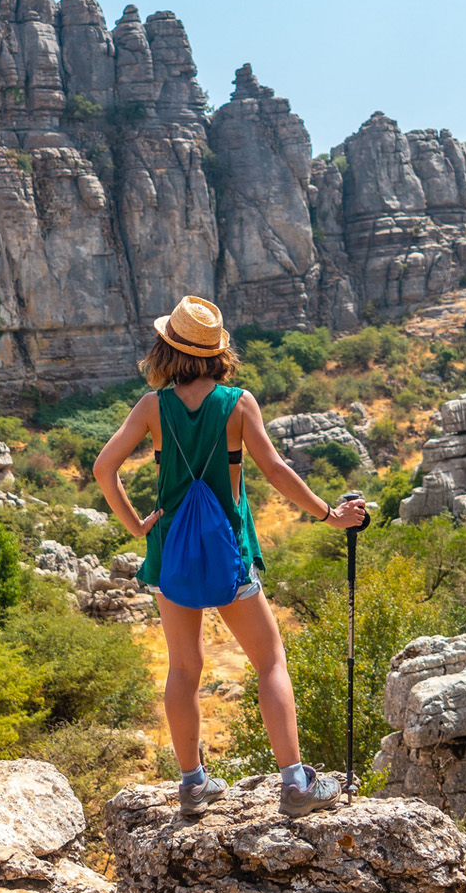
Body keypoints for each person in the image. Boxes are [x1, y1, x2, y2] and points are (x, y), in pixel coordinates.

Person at [93, 295, 369, 817]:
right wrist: (330, 514)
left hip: (170, 552)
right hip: (228, 553)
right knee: (269, 661)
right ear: (218, 352)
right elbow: (276, 470)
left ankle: (193, 784)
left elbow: (103, 467)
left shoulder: (152, 406)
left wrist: (136, 525)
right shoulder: (237, 403)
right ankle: (295, 784)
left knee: (184, 668)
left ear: (166, 348)